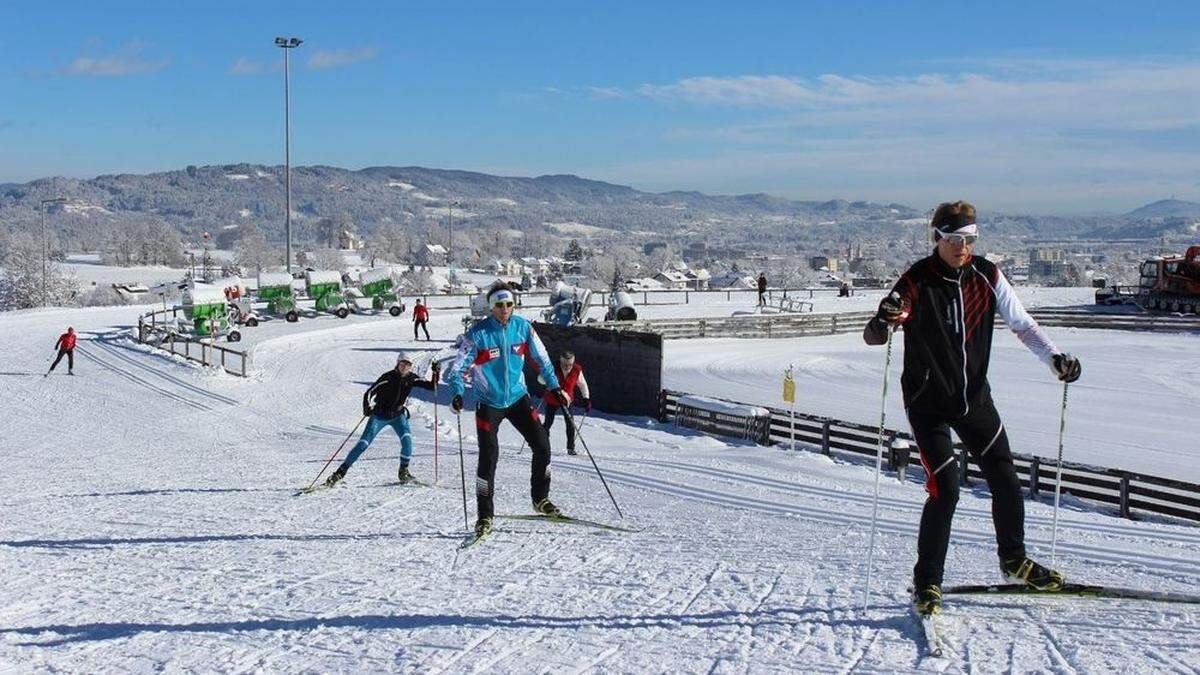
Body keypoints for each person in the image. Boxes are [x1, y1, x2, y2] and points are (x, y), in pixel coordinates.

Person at [862, 201, 1082, 617]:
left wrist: (1054, 358)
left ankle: (1013, 559)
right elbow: (877, 333)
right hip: (928, 404)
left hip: (974, 399)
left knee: (1006, 479)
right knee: (945, 491)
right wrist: (884, 319)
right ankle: (927, 583)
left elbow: (1023, 325)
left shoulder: (987, 275)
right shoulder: (917, 280)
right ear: (937, 239)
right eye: (954, 240)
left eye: (969, 240)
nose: (963, 247)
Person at [448, 281, 567, 538]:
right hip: (488, 403)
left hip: (517, 398)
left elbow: (543, 359)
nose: (504, 309)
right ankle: (485, 516)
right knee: (489, 457)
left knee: (543, 445)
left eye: (509, 304)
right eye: (499, 305)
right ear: (491, 308)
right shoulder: (479, 334)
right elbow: (457, 368)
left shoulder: (523, 328)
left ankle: (540, 499)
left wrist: (555, 386)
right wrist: (457, 393)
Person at [324, 353, 440, 487]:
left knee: (407, 441)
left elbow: (433, 387)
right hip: (379, 415)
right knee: (363, 444)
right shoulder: (388, 377)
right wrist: (367, 406)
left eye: (408, 365)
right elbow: (369, 392)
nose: (405, 368)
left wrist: (436, 372)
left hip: (398, 415)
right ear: (397, 364)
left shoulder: (412, 378)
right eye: (402, 364)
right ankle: (339, 473)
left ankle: (403, 472)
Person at [542, 351, 591, 455]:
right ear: (561, 362)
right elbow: (543, 379)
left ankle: (570, 448)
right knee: (547, 423)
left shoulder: (577, 370)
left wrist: (586, 398)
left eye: (570, 365)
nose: (567, 367)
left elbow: (582, 385)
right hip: (552, 398)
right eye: (565, 365)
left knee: (570, 423)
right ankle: (542, 444)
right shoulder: (553, 367)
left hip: (567, 401)